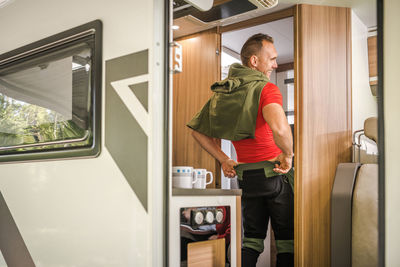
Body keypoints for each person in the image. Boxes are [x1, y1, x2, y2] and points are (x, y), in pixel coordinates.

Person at [187, 33, 294, 267]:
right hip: (274, 173)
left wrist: (225, 159)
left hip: (245, 177)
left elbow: (197, 131)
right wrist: (287, 155)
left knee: (252, 242)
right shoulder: (266, 88)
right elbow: (281, 129)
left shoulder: (225, 93)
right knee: (287, 244)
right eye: (272, 59)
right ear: (254, 61)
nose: (275, 64)